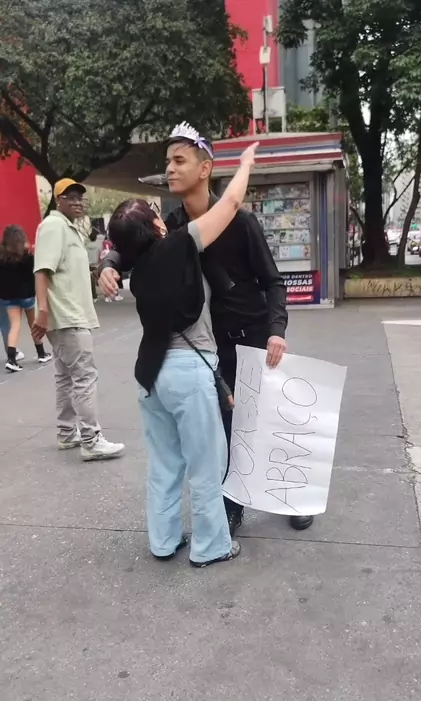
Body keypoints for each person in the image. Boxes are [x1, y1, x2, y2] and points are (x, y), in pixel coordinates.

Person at [99, 121, 314, 534]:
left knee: (269, 420)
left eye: (179, 161)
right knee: (227, 428)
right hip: (210, 350)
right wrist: (109, 264)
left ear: (204, 168)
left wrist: (276, 330)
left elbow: (273, 282)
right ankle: (232, 505)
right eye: (168, 162)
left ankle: (295, 494)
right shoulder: (172, 224)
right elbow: (135, 245)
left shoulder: (242, 222)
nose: (170, 169)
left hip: (252, 335)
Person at [106, 141, 259, 567]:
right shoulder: (179, 245)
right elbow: (230, 204)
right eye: (156, 215)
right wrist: (245, 164)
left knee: (164, 465)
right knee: (207, 466)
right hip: (188, 373)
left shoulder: (138, 273)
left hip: (149, 377)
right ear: (156, 227)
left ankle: (164, 540)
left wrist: (109, 263)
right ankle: (211, 546)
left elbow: (122, 248)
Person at [32, 178, 124, 461]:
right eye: (69, 197)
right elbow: (42, 271)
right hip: (67, 317)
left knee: (66, 377)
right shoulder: (54, 226)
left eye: (79, 197)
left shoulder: (69, 228)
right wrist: (42, 312)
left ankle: (67, 433)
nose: (77, 202)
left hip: (68, 315)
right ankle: (91, 440)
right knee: (84, 377)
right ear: (57, 201)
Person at [0, 225, 52, 373]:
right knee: (33, 324)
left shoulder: (2, 257)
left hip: (8, 297)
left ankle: (11, 359)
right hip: (27, 296)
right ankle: (41, 353)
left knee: (15, 326)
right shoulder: (28, 257)